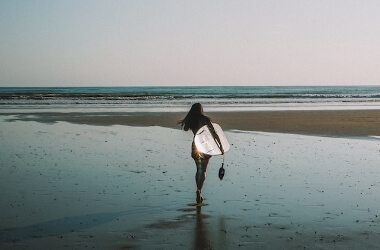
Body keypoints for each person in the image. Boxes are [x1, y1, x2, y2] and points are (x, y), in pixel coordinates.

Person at [179, 103, 223, 204]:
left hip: (195, 145)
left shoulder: (191, 120)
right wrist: (220, 146)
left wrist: (190, 119)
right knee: (203, 170)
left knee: (198, 169)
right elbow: (214, 133)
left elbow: (185, 129)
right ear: (201, 110)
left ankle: (198, 190)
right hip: (205, 146)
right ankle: (199, 190)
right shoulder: (205, 119)